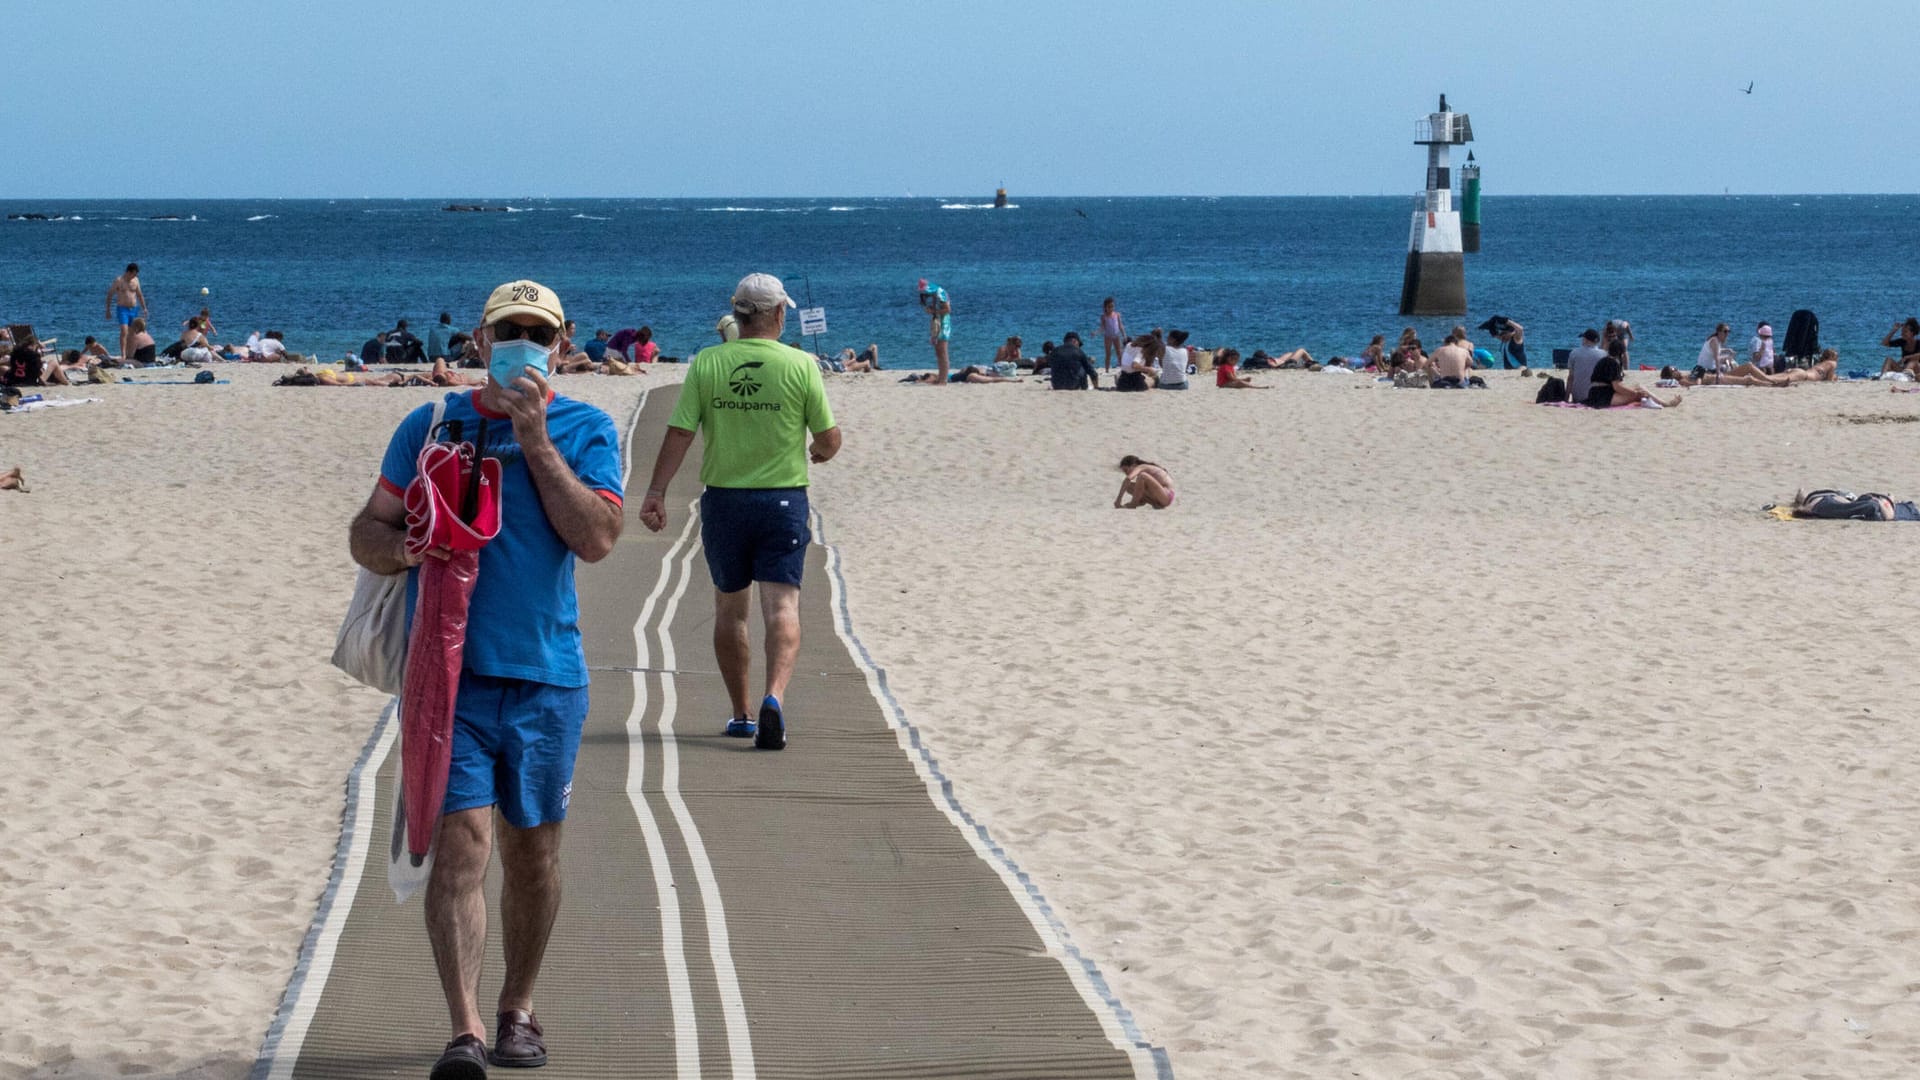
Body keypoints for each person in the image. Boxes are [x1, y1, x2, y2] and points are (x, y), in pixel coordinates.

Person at [349, 279, 624, 1075]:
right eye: (509, 329)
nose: (523, 342)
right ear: (479, 341)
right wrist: (408, 545)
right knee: (462, 849)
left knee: (532, 854)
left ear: (563, 343)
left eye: (538, 331)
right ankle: (465, 1029)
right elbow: (367, 530)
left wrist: (535, 439)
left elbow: (599, 537)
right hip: (447, 679)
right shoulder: (431, 423)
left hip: (545, 677)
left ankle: (517, 1008)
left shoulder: (587, 427)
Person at [639, 272, 840, 749]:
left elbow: (681, 432)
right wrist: (823, 451)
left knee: (731, 609)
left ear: (738, 313)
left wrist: (656, 491)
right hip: (783, 499)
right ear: (778, 314)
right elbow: (829, 438)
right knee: (783, 606)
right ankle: (775, 697)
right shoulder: (800, 364)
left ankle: (742, 713)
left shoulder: (708, 363)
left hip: (725, 500)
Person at [1585, 339, 1680, 408]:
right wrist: (1635, 393)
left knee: (1638, 388)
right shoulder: (1613, 363)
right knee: (1640, 393)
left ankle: (1660, 402)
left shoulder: (1604, 360)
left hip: (1594, 393)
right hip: (1603, 397)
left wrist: (1633, 391)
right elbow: (1617, 386)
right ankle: (1665, 404)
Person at [105, 262, 146, 362]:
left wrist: (144, 307)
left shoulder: (136, 280)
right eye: (134, 274)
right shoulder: (119, 281)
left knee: (133, 333)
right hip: (122, 309)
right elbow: (110, 294)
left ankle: (130, 354)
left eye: (136, 274)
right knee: (124, 331)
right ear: (128, 272)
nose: (135, 276)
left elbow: (139, 295)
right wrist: (108, 310)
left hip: (134, 309)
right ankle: (123, 354)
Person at [917, 278, 951, 383]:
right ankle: (941, 378)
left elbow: (948, 310)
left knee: (943, 352)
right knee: (938, 352)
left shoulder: (940, 293)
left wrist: (933, 311)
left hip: (943, 325)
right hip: (939, 324)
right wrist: (932, 310)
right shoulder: (936, 294)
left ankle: (943, 380)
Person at [1565, 329, 1607, 403]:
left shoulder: (1574, 353)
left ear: (1585, 340)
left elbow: (1570, 378)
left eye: (1583, 338)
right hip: (1597, 397)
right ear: (1597, 341)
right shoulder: (1604, 355)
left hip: (1578, 398)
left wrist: (1566, 398)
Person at [1099, 297, 1126, 371]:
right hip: (1108, 337)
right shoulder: (1103, 316)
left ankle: (1123, 369)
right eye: (1109, 307)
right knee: (1108, 354)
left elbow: (1120, 325)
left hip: (1116, 336)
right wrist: (1095, 333)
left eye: (1112, 306)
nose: (1111, 308)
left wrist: (1124, 335)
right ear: (1105, 307)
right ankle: (1107, 370)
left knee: (1119, 353)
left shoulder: (1117, 314)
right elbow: (1102, 327)